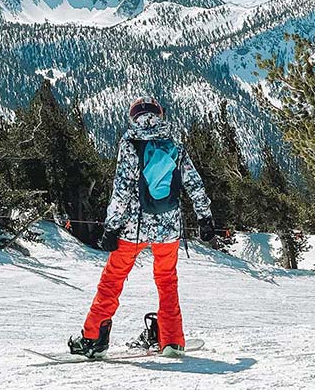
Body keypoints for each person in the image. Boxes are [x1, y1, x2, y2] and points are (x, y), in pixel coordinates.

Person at [68, 96, 215, 358]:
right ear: (160, 115)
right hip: (168, 229)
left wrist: (111, 228)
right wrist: (205, 217)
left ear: (133, 117)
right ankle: (171, 340)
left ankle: (93, 338)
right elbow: (194, 183)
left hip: (132, 230)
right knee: (167, 282)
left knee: (112, 281)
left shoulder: (130, 144)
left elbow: (122, 190)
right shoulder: (174, 144)